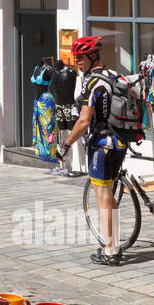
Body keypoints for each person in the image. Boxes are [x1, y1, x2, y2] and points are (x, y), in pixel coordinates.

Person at [58, 36, 127, 266]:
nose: (78, 61)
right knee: (108, 194)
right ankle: (114, 242)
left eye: (81, 57)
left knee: (103, 195)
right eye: (76, 58)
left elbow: (84, 121)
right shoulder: (113, 75)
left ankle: (110, 250)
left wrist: (66, 144)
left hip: (102, 145)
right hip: (119, 142)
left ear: (93, 56)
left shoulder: (92, 83)